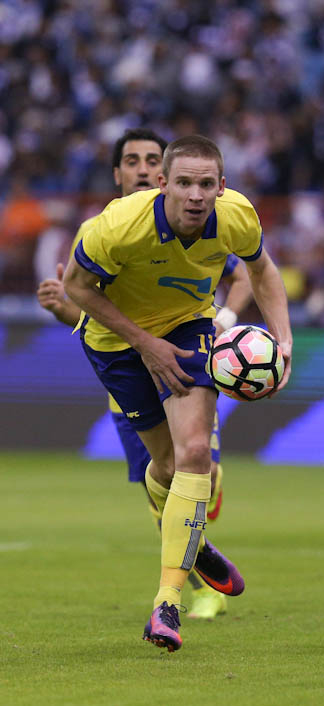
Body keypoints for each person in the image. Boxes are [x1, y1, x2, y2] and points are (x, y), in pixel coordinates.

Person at [63, 134, 292, 652]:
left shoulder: (237, 216)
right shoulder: (117, 226)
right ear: (163, 183)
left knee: (195, 457)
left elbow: (261, 270)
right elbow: (78, 288)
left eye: (206, 184)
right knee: (166, 469)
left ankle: (166, 604)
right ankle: (199, 547)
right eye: (184, 183)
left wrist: (284, 340)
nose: (195, 195)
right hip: (116, 343)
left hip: (190, 330)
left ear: (221, 187)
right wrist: (144, 344)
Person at [37, 128, 252, 622]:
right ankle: (198, 560)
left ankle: (185, 596)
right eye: (130, 160)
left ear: (163, 174)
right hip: (129, 365)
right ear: (118, 174)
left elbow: (243, 274)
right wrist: (60, 311)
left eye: (150, 159)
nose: (140, 168)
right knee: (168, 478)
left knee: (199, 461)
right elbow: (92, 318)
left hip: (182, 347)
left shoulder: (202, 221)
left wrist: (221, 323)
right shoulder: (107, 232)